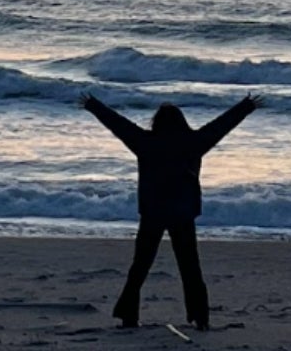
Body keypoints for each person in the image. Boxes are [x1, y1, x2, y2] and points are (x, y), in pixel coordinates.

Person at [78, 92, 262, 330]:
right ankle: (200, 317)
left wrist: (94, 105)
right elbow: (220, 126)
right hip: (182, 212)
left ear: (157, 123)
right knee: (190, 267)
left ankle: (128, 315)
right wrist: (246, 107)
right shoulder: (194, 142)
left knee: (140, 265)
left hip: (153, 211)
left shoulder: (145, 142)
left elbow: (118, 124)